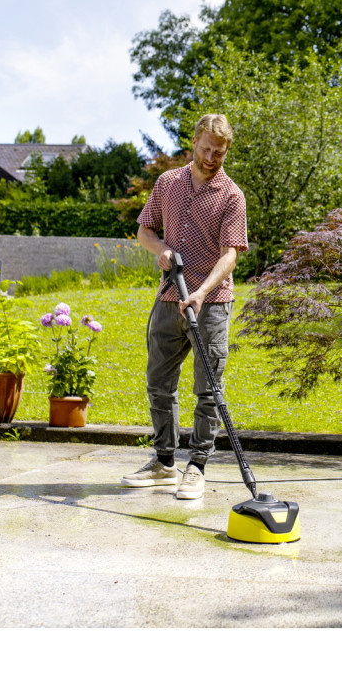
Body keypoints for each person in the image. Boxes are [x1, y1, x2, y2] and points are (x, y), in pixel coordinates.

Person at [121, 113, 248, 500]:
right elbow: (145, 230)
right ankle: (164, 462)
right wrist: (160, 250)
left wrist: (202, 291)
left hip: (211, 304)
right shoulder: (168, 183)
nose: (211, 158)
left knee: (208, 389)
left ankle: (197, 467)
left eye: (219, 153)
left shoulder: (231, 195)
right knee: (159, 384)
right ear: (194, 141)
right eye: (206, 149)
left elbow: (230, 254)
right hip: (168, 298)